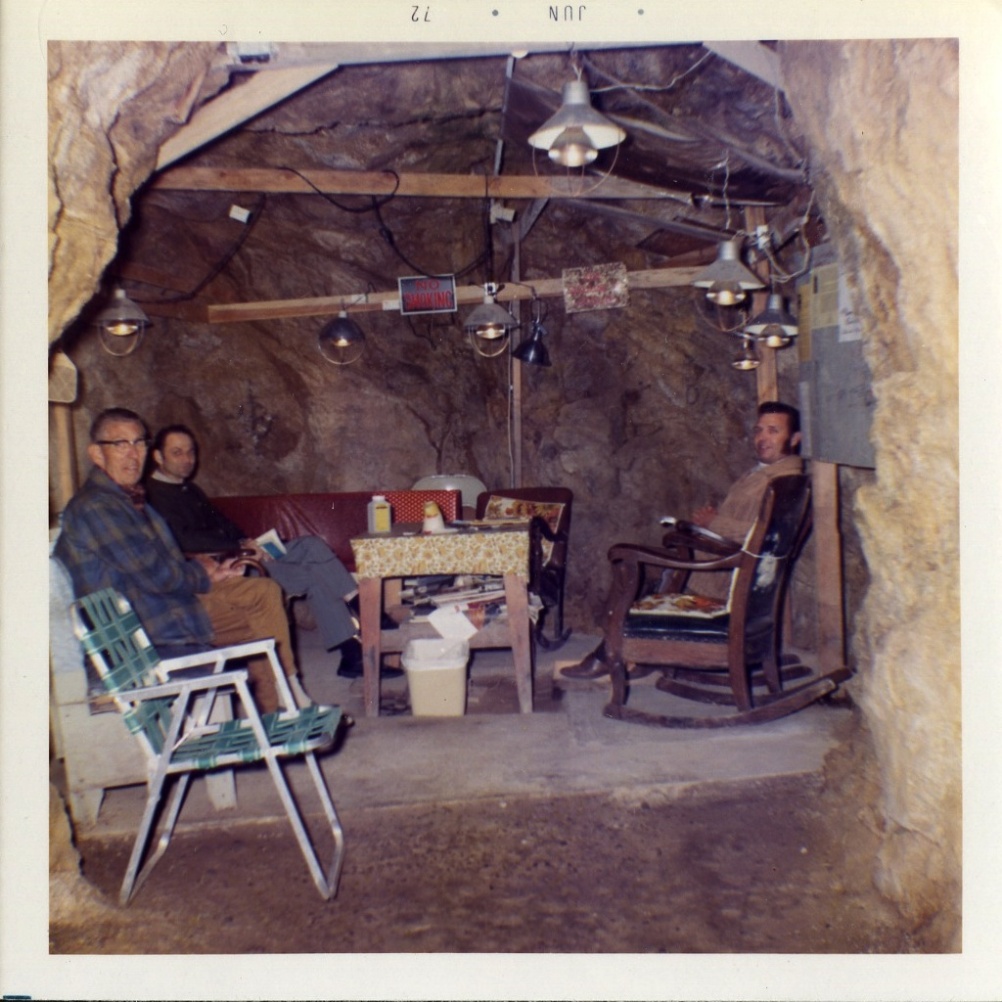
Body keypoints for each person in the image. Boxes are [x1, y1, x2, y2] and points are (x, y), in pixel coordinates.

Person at [54, 408, 305, 713]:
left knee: (262, 593)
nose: (133, 454)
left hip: (159, 602)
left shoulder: (126, 498)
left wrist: (212, 572)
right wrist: (202, 573)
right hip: (145, 621)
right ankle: (285, 701)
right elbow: (155, 576)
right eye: (120, 445)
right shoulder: (97, 507)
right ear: (97, 453)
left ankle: (282, 700)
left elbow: (161, 561)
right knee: (259, 613)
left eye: (139, 443)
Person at [563, 401, 804, 679]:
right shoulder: (771, 474)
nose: (763, 438)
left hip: (724, 584)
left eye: (774, 431)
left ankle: (609, 655)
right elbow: (756, 526)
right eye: (759, 430)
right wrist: (703, 525)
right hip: (726, 567)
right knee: (660, 576)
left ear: (795, 439)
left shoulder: (780, 480)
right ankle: (641, 654)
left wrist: (713, 522)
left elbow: (758, 531)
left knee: (628, 562)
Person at [143, 423, 399, 680]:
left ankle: (360, 620)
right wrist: (240, 550)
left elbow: (223, 524)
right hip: (225, 569)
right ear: (158, 456)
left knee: (311, 545)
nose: (187, 459)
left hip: (242, 555)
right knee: (313, 575)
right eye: (177, 453)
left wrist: (249, 542)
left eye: (190, 452)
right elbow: (183, 540)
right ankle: (355, 645)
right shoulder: (153, 497)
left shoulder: (190, 489)